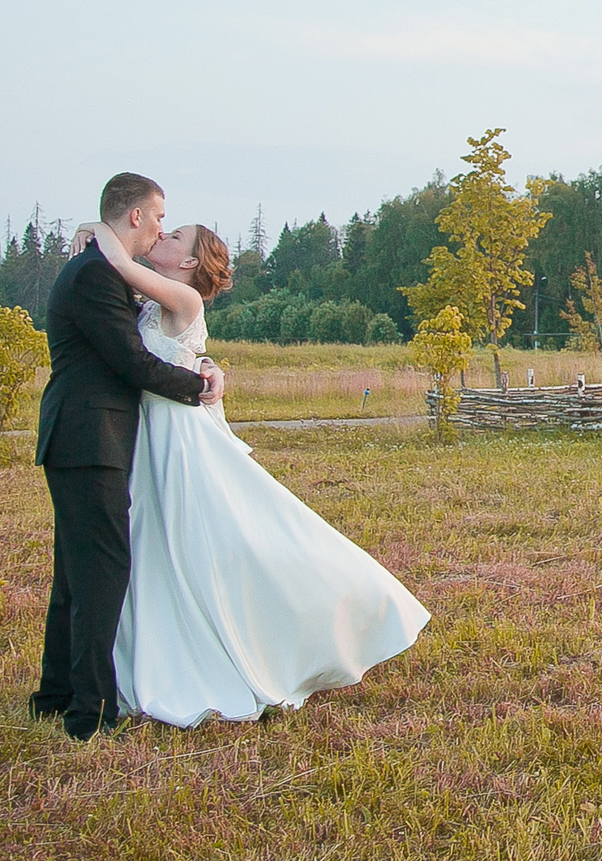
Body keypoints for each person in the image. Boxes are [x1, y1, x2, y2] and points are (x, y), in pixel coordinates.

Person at [71, 214, 429, 728]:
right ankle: (160, 653)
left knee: (213, 541)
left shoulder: (183, 298)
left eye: (174, 235)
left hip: (179, 438)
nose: (163, 234)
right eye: (163, 226)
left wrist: (97, 227)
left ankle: (337, 611)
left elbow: (120, 263)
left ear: (189, 262)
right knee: (158, 550)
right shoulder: (153, 302)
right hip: (147, 437)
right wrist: (207, 365)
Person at [33, 171, 226, 741]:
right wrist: (199, 385)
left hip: (91, 438)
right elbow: (130, 361)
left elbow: (163, 339)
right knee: (100, 572)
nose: (162, 228)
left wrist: (204, 365)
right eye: (160, 217)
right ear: (137, 216)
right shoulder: (97, 273)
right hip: (89, 438)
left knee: (77, 574)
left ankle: (56, 695)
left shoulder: (103, 268)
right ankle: (89, 712)